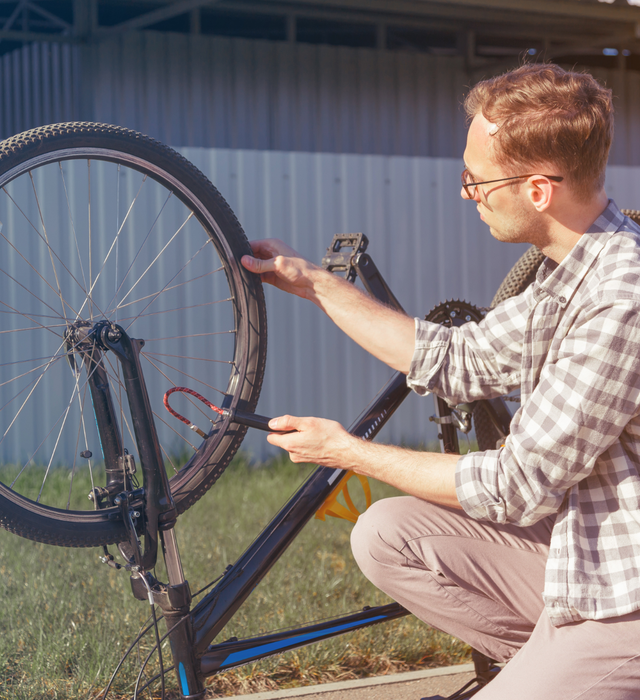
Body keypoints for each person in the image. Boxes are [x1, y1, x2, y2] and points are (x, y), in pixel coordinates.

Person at [240, 62, 640, 699]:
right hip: (583, 553)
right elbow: (460, 356)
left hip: (625, 598)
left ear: (538, 190)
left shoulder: (621, 295)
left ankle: (586, 672)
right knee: (388, 534)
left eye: (476, 180)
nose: (467, 193)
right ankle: (555, 670)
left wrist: (347, 452)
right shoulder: (570, 273)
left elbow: (514, 485)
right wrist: (315, 284)